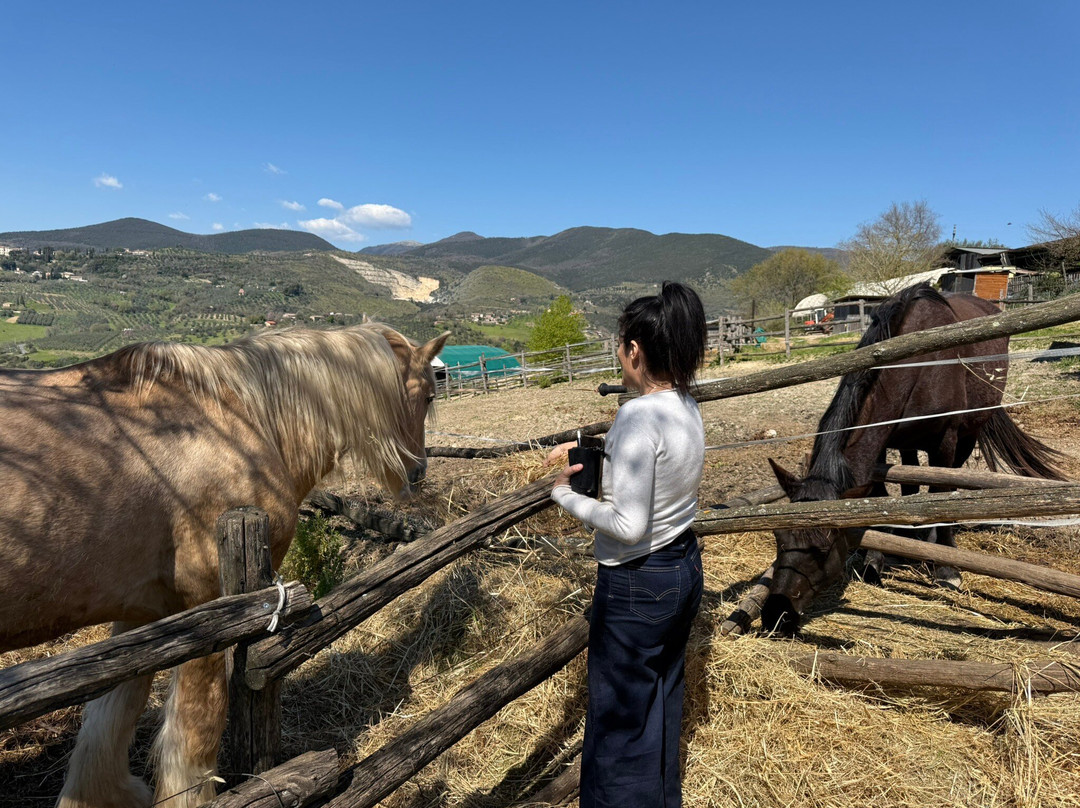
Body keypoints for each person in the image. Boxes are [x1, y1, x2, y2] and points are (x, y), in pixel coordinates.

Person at [547, 281, 707, 808]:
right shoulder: (684, 404)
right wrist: (597, 452)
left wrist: (564, 496)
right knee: (660, 700)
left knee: (619, 725)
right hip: (682, 565)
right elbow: (653, 471)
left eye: (620, 345)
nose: (618, 354)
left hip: (638, 580)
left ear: (634, 350)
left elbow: (628, 523)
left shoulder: (637, 416)